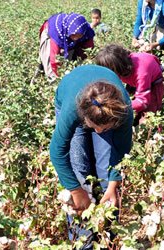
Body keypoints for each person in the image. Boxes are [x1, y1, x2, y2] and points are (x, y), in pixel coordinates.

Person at [49, 64, 133, 245]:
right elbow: (57, 152)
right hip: (71, 94)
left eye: (105, 128)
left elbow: (121, 151)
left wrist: (113, 186)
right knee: (79, 169)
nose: (99, 131)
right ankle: (83, 242)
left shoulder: (123, 111)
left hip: (107, 109)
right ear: (84, 117)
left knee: (105, 171)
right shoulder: (72, 110)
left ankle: (108, 238)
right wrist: (75, 190)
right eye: (94, 127)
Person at [95, 44, 164, 125]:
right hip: (133, 78)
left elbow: (142, 101)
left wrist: (117, 108)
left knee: (148, 117)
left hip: (153, 83)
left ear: (118, 67)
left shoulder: (141, 73)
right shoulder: (121, 66)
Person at [39, 13, 95, 81]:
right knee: (49, 65)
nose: (75, 38)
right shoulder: (57, 32)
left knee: (69, 62)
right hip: (50, 33)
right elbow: (54, 58)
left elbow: (88, 51)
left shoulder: (86, 31)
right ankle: (45, 82)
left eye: (79, 35)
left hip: (67, 35)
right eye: (74, 35)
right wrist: (58, 78)